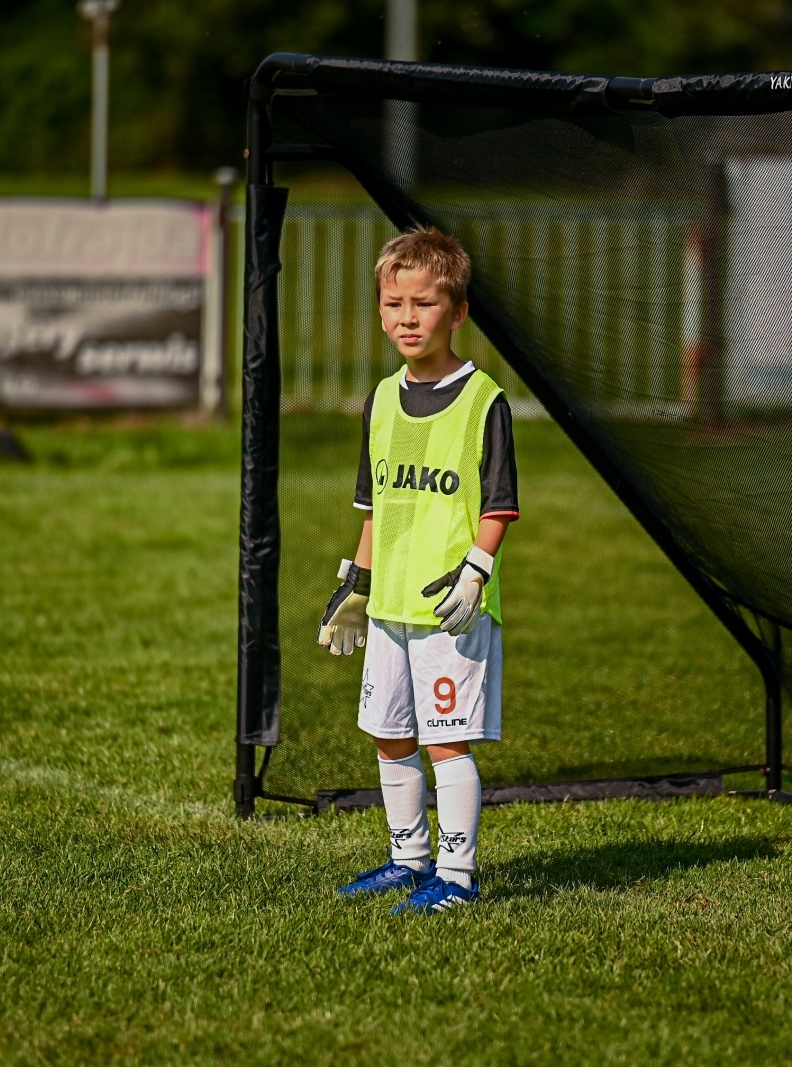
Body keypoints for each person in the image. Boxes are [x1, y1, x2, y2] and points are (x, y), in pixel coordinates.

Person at [316, 226, 519, 914]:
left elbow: (499, 505)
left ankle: (457, 876)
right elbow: (376, 507)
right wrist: (355, 586)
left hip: (447, 606)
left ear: (457, 312)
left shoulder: (484, 399)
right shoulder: (379, 400)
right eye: (393, 302)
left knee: (444, 740)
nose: (407, 317)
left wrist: (475, 573)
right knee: (388, 729)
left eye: (424, 304)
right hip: (389, 607)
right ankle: (409, 858)